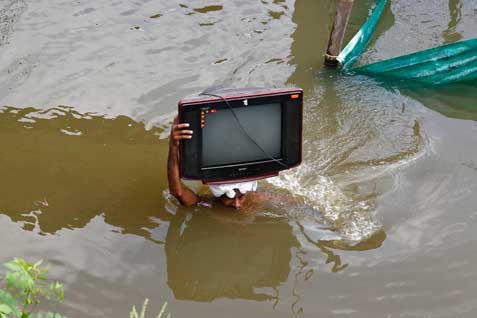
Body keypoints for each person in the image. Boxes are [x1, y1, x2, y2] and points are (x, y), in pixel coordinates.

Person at [167, 116, 276, 210]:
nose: (237, 205)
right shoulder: (208, 204)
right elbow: (178, 192)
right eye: (229, 198)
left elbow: (290, 202)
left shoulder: (256, 199)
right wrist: (173, 147)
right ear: (218, 196)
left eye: (241, 197)